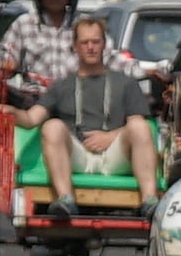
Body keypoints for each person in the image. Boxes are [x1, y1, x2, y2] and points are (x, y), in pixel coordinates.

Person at [14, 18, 158, 216]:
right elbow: (31, 119)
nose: (90, 48)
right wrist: (8, 111)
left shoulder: (125, 83)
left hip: (114, 157)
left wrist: (110, 137)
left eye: (96, 42)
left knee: (141, 127)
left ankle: (150, 201)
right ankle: (65, 199)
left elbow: (135, 123)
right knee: (52, 126)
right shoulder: (62, 86)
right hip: (79, 155)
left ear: (104, 45)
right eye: (84, 42)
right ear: (75, 47)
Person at [0, 0, 82, 97]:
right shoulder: (23, 23)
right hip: (34, 98)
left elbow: (108, 57)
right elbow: (7, 57)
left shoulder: (83, 25)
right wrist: (8, 65)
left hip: (75, 99)